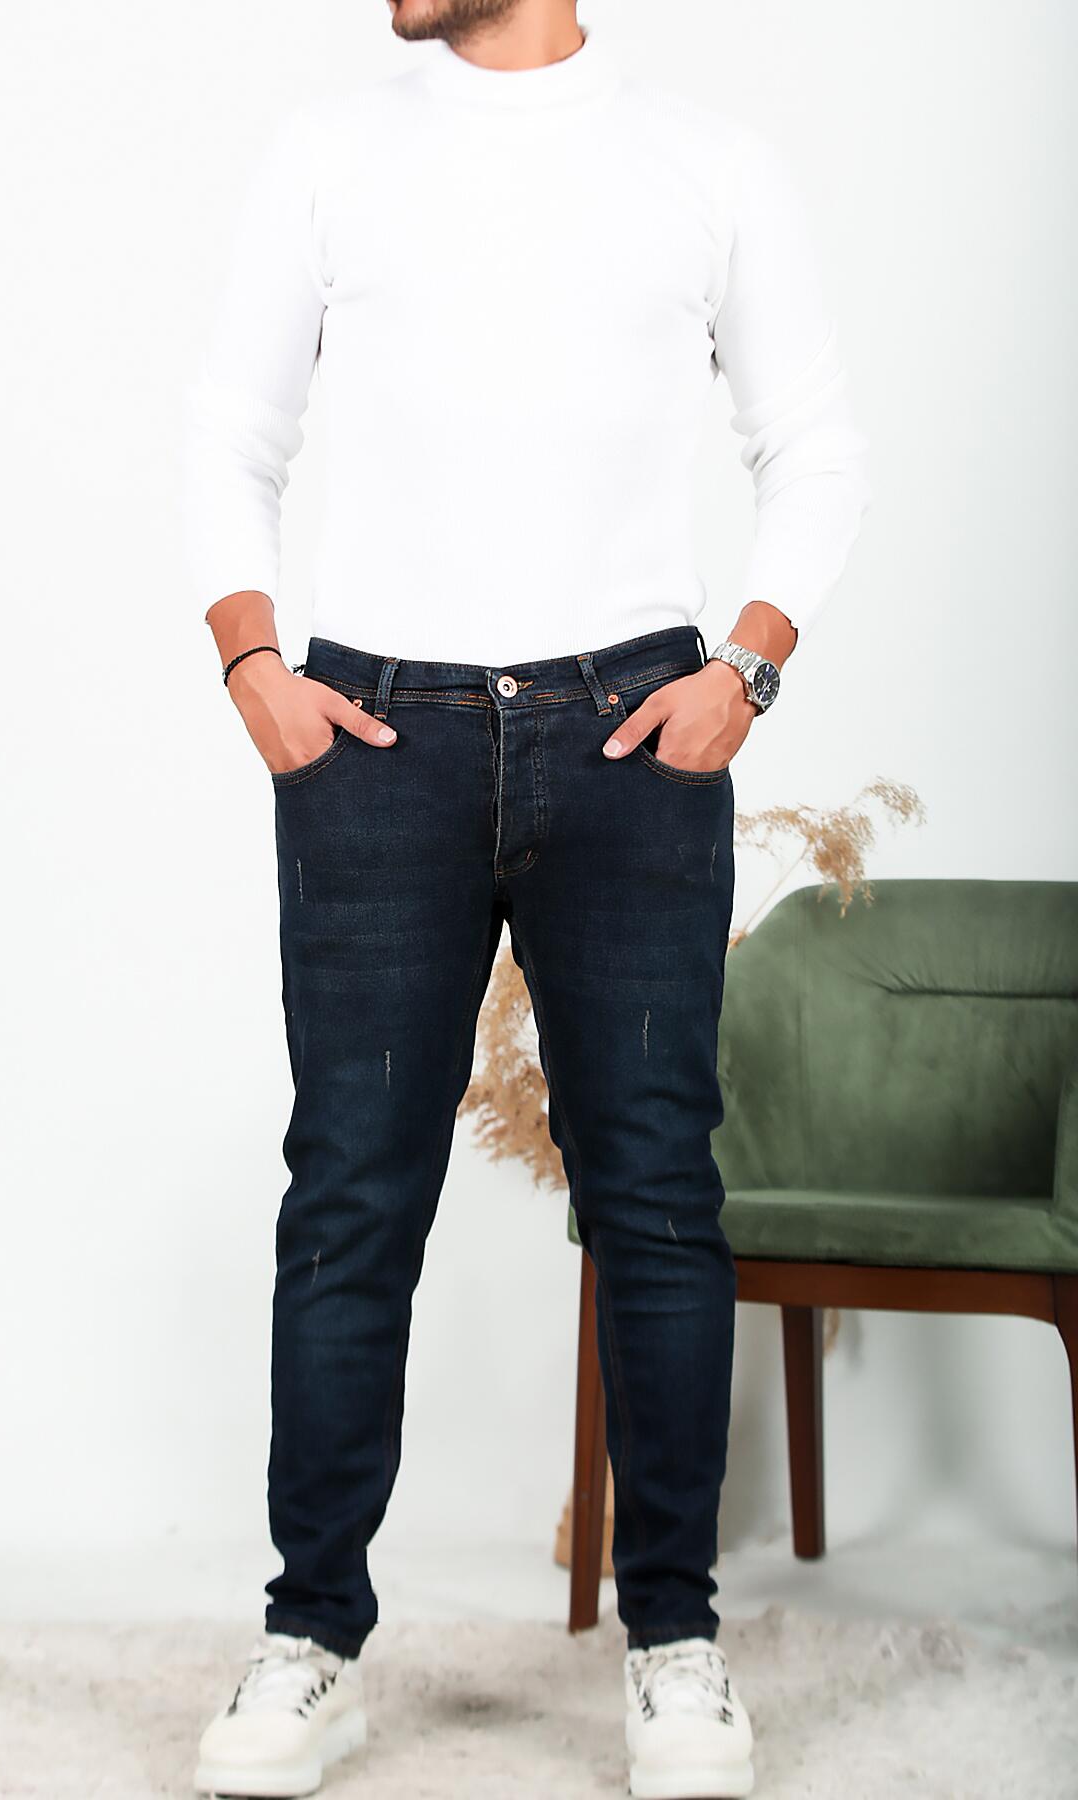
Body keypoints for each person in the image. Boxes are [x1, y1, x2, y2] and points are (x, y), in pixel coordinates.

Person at [184, 1, 869, 1794]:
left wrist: (748, 669)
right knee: (350, 1193)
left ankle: (677, 1645)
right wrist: (254, 666)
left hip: (632, 730)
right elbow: (230, 432)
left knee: (655, 1195)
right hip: (376, 734)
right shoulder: (329, 151)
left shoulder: (704, 164)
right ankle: (310, 1640)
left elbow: (814, 444)